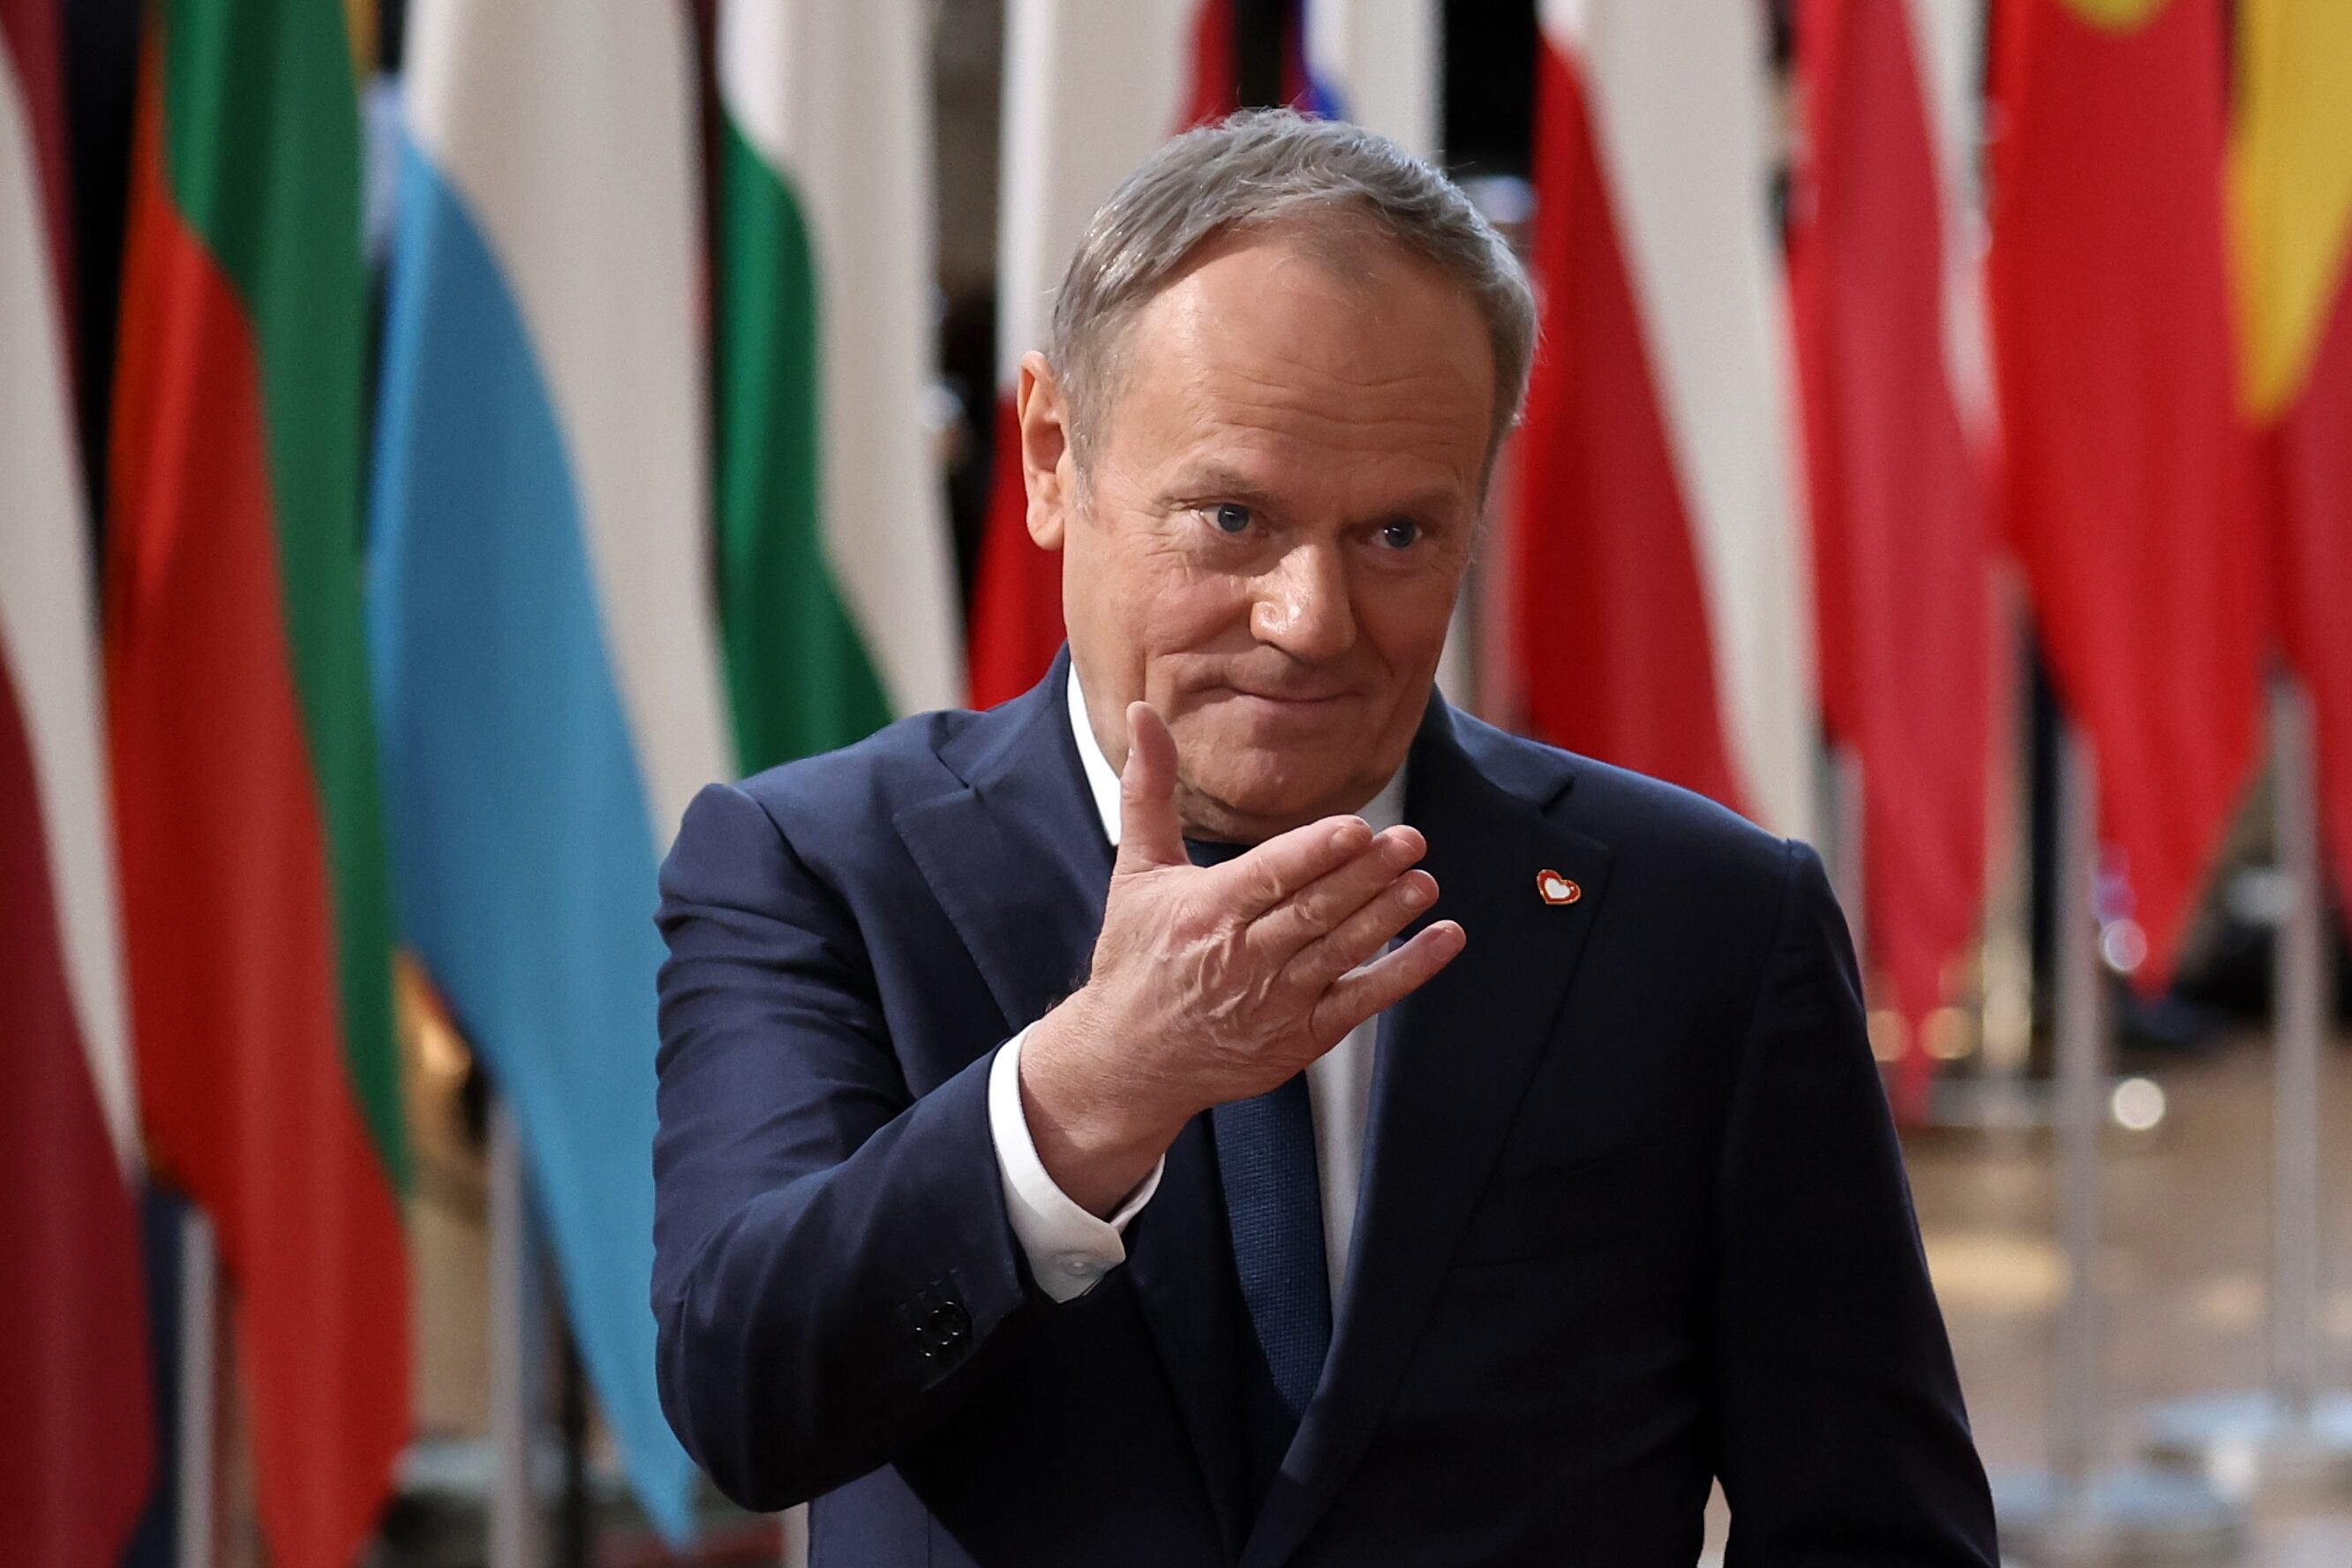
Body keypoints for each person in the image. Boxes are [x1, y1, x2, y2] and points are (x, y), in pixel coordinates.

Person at [651, 109, 1998, 1567]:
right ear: (1051, 457)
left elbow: (1875, 1524)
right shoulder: (816, 868)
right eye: (1231, 517)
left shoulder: (1702, 922)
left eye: (1398, 537)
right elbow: (745, 1400)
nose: (1310, 621)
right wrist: (1093, 1089)